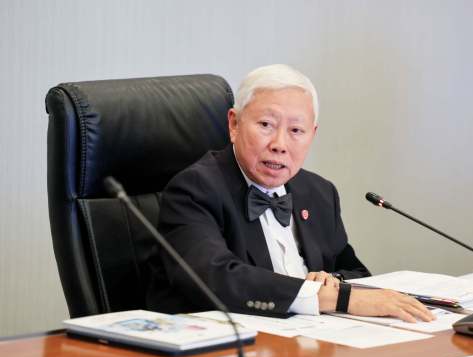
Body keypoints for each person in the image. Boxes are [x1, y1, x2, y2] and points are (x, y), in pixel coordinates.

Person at [147, 64, 434, 323]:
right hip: (224, 348)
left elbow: (355, 273)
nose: (280, 144)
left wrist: (331, 281)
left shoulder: (319, 192)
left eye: (296, 130)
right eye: (266, 125)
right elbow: (217, 278)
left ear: (313, 134)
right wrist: (333, 298)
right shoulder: (194, 189)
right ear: (234, 124)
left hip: (311, 343)